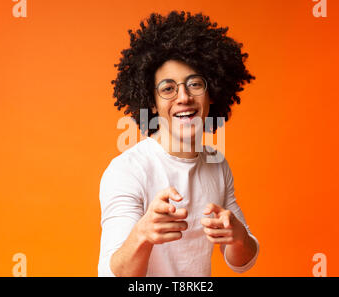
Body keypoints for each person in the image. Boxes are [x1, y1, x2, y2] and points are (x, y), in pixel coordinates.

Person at [98, 11, 259, 277]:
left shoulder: (217, 164)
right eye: (168, 88)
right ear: (152, 101)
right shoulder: (126, 170)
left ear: (212, 94)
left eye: (195, 84)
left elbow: (241, 262)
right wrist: (143, 234)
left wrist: (239, 236)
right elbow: (110, 273)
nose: (183, 97)